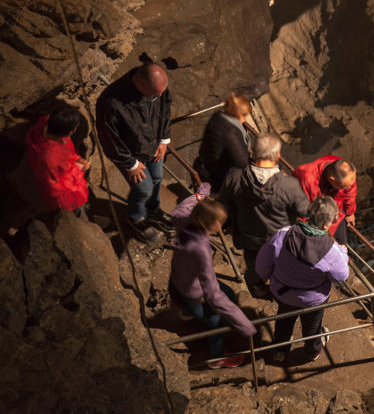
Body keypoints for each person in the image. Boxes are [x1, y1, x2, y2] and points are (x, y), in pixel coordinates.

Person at [256, 196, 349, 364]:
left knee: (284, 320)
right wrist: (343, 252)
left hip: (283, 292)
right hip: (312, 299)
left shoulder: (283, 234)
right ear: (327, 224)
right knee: (312, 326)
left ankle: (280, 350)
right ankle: (312, 352)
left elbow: (262, 265)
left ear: (308, 213)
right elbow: (341, 276)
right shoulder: (331, 250)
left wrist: (270, 278)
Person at [170, 194, 257, 368]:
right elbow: (212, 294)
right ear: (209, 223)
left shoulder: (184, 221)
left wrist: (200, 193)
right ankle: (217, 358)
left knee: (230, 293)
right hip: (192, 292)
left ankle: (187, 311)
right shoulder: (201, 249)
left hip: (177, 279)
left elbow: (181, 208)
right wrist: (243, 323)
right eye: (219, 222)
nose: (220, 225)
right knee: (216, 323)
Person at [220, 132, 310, 297]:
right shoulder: (288, 185)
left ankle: (257, 290)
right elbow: (305, 211)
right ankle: (281, 290)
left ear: (252, 151)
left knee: (254, 265)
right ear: (277, 156)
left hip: (249, 236)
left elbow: (225, 205)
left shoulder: (234, 177)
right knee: (282, 266)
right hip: (280, 240)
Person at [95, 62, 172, 243]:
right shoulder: (111, 102)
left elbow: (165, 108)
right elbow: (109, 138)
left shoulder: (157, 88)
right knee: (143, 188)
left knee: (157, 177)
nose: (160, 96)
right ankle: (135, 217)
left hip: (153, 145)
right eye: (155, 93)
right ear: (140, 83)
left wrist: (164, 139)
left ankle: (152, 210)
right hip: (131, 154)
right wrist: (130, 163)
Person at [25, 103, 89, 214]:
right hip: (64, 196)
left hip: (56, 175)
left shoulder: (45, 124)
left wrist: (76, 159)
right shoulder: (51, 156)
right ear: (70, 132)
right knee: (75, 211)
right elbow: (59, 182)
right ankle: (81, 218)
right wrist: (79, 167)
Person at [194, 92, 252, 192]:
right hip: (214, 179)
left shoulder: (218, 116)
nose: (244, 120)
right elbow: (242, 163)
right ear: (236, 113)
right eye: (243, 115)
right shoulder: (231, 132)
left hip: (202, 166)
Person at [293, 155, 357, 244]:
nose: (348, 188)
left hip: (336, 209)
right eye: (344, 186)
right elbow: (316, 209)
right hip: (318, 213)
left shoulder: (341, 168)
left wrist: (350, 211)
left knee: (341, 244)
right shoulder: (309, 179)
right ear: (332, 180)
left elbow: (351, 190)